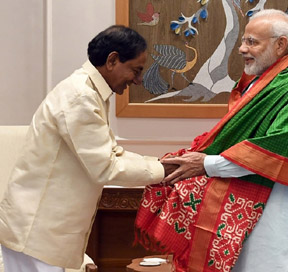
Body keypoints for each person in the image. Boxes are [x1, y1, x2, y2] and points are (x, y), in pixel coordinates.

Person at [134, 9, 288, 272]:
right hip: (251, 199)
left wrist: (206, 164)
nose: (241, 49)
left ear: (280, 45)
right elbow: (238, 140)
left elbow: (273, 149)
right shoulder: (261, 80)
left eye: (252, 41)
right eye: (243, 41)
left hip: (285, 206)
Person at [0, 25, 173, 272]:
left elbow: (111, 153)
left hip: (42, 232)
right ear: (112, 60)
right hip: (36, 232)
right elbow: (106, 167)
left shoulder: (88, 92)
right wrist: (164, 170)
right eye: (135, 70)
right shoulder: (80, 96)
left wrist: (160, 163)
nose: (138, 79)